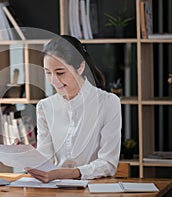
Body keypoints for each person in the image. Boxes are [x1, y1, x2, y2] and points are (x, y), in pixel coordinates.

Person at [21, 35, 122, 183]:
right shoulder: (45, 107)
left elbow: (108, 164)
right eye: (48, 72)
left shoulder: (108, 103)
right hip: (56, 190)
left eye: (60, 72)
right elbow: (45, 160)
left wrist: (66, 173)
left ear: (80, 67)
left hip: (94, 190)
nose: (53, 80)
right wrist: (24, 156)